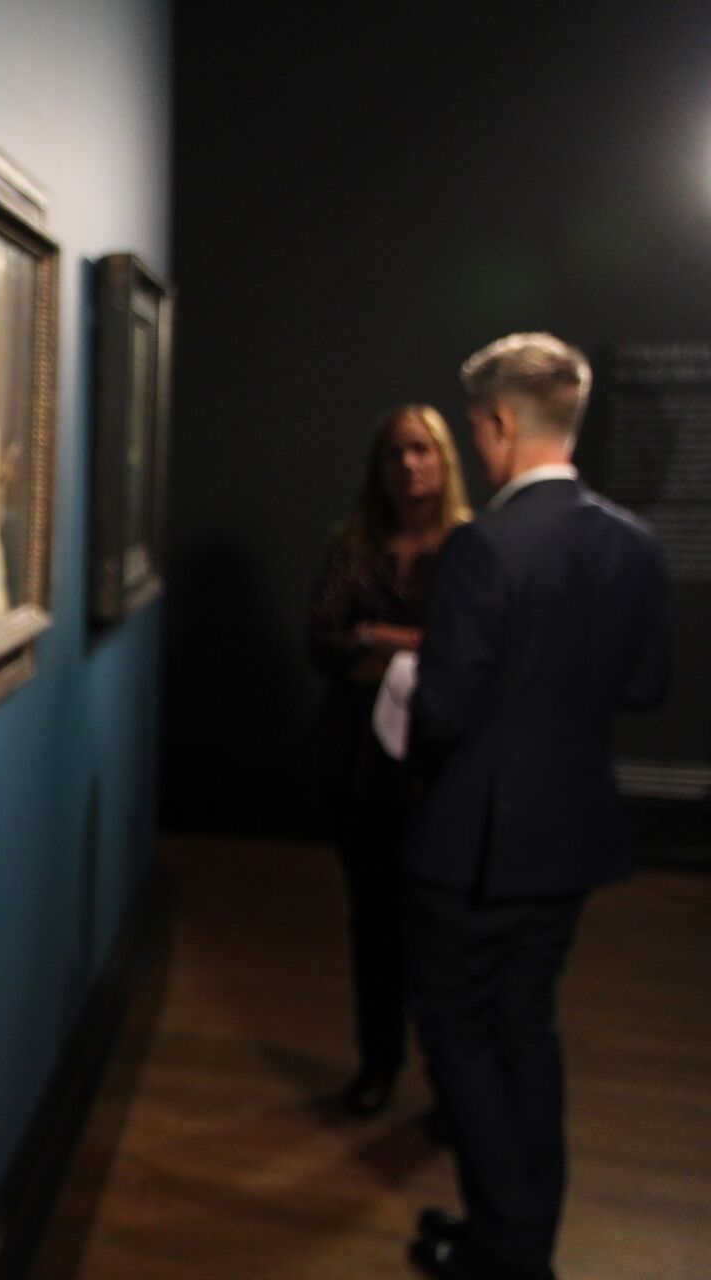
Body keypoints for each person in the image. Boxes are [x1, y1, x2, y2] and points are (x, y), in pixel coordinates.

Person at [403, 334, 671, 1280]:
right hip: (573, 830)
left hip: (477, 840)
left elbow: (443, 709)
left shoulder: (484, 544)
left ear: (499, 422)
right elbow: (646, 686)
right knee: (526, 1026)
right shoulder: (635, 543)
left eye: (476, 428)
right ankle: (516, 1243)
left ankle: (506, 1249)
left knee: (458, 1033)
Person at [307, 404, 473, 1116]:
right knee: (371, 920)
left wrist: (376, 635)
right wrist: (406, 642)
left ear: (444, 459)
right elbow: (322, 642)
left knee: (439, 927)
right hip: (358, 761)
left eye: (421, 450)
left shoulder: (470, 548)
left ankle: (449, 1080)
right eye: (395, 453)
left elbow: (467, 649)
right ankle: (378, 1063)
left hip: (438, 764)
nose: (409, 465)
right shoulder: (353, 545)